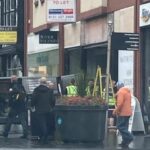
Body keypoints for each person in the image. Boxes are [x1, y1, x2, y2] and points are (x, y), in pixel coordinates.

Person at [31, 77, 55, 144]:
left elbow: (33, 99)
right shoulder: (49, 90)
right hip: (48, 109)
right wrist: (51, 107)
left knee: (41, 124)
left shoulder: (36, 90)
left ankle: (42, 137)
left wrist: (32, 106)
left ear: (40, 82)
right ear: (45, 82)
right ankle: (45, 138)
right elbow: (53, 100)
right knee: (47, 123)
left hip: (39, 110)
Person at [113, 81, 133, 148]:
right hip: (128, 112)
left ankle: (130, 137)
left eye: (117, 86)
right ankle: (125, 142)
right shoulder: (127, 92)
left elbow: (120, 103)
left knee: (120, 126)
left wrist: (116, 110)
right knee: (125, 127)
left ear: (118, 86)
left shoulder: (121, 92)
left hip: (123, 113)